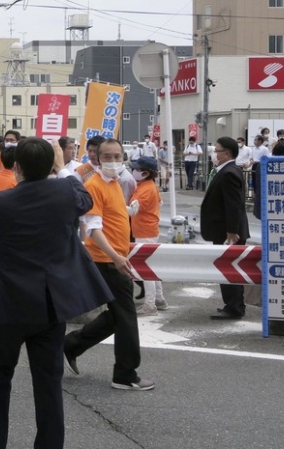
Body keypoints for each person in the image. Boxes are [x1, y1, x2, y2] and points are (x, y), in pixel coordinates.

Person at [0, 137, 112, 449]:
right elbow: (84, 198)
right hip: (49, 304)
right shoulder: (66, 193)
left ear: (16, 166)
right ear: (51, 165)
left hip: (5, 305)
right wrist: (62, 169)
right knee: (48, 382)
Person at [64, 138, 155, 391]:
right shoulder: (94, 185)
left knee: (118, 316)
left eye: (117, 156)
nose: (113, 161)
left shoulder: (114, 182)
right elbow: (93, 229)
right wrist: (115, 257)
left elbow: (112, 213)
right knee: (126, 316)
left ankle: (71, 344)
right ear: (97, 158)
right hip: (107, 260)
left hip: (114, 258)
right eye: (107, 157)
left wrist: (128, 211)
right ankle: (125, 374)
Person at [200, 137, 250, 320]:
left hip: (228, 233)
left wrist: (232, 231)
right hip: (224, 230)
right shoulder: (226, 170)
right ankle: (232, 305)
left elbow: (233, 205)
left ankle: (234, 307)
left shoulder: (229, 173)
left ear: (226, 153)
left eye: (217, 150)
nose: (214, 153)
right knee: (227, 267)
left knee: (229, 267)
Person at [129, 157, 167, 316]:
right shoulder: (149, 185)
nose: (134, 171)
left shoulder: (145, 189)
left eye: (137, 169)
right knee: (151, 267)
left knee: (145, 270)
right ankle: (159, 299)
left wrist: (113, 205)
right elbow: (160, 203)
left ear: (146, 173)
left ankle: (150, 305)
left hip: (145, 232)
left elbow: (132, 211)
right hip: (149, 230)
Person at [249, 135, 271, 219]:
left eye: (256, 140)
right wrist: (251, 160)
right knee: (254, 181)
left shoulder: (264, 149)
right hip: (254, 165)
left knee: (260, 182)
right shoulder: (253, 149)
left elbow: (266, 157)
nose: (254, 141)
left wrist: (258, 161)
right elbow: (251, 157)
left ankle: (260, 196)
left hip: (260, 165)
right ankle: (255, 195)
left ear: (260, 141)